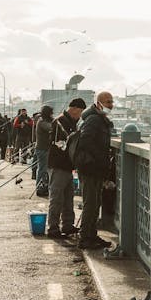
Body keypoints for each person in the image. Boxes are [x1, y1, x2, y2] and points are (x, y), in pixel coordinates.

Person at [75, 92, 114, 249]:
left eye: (112, 101)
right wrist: (99, 157)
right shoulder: (93, 119)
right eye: (108, 101)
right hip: (90, 167)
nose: (111, 104)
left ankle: (92, 235)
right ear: (99, 103)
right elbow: (86, 141)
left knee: (95, 203)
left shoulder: (99, 119)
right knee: (90, 204)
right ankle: (85, 238)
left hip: (95, 168)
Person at [46, 98, 86, 238]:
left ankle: (67, 225)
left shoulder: (71, 122)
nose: (80, 115)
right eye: (80, 112)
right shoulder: (60, 122)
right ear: (74, 108)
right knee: (56, 198)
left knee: (68, 198)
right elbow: (61, 144)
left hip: (67, 166)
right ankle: (53, 228)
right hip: (58, 165)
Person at [34, 105, 54, 197]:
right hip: (42, 149)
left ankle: (44, 186)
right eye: (51, 113)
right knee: (42, 169)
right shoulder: (42, 121)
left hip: (45, 148)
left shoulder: (43, 120)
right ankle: (39, 187)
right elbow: (51, 127)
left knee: (44, 169)